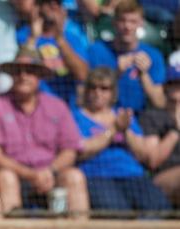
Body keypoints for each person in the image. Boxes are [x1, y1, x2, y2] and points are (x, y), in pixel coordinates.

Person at [0, 46, 89, 217]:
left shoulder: (57, 106)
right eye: (18, 71)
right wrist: (29, 174)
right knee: (6, 177)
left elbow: (70, 150)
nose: (23, 76)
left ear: (39, 76)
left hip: (51, 175)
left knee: (74, 176)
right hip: (13, 175)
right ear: (11, 75)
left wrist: (50, 171)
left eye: (30, 71)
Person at [72, 67, 171, 213]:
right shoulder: (76, 117)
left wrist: (126, 131)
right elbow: (81, 150)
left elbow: (143, 154)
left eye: (104, 88)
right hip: (97, 176)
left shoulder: (123, 117)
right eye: (93, 87)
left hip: (132, 175)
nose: (97, 93)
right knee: (117, 212)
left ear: (113, 93)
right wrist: (113, 130)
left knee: (160, 208)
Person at [88, 0, 166, 113]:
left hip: (141, 118)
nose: (127, 26)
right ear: (114, 22)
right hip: (106, 114)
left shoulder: (153, 56)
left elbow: (159, 102)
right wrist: (116, 73)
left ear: (141, 23)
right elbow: (88, 94)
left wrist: (144, 75)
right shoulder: (97, 50)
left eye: (133, 21)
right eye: (122, 20)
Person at [17, 0, 89, 106]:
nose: (54, 6)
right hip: (36, 105)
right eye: (49, 2)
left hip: (66, 107)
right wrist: (33, 37)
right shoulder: (24, 36)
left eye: (58, 3)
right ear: (37, 7)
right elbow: (19, 70)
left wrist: (60, 39)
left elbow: (83, 75)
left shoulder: (72, 39)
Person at [139, 66, 180, 208]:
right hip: (159, 180)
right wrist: (175, 131)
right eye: (175, 84)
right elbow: (153, 161)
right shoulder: (152, 116)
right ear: (165, 88)